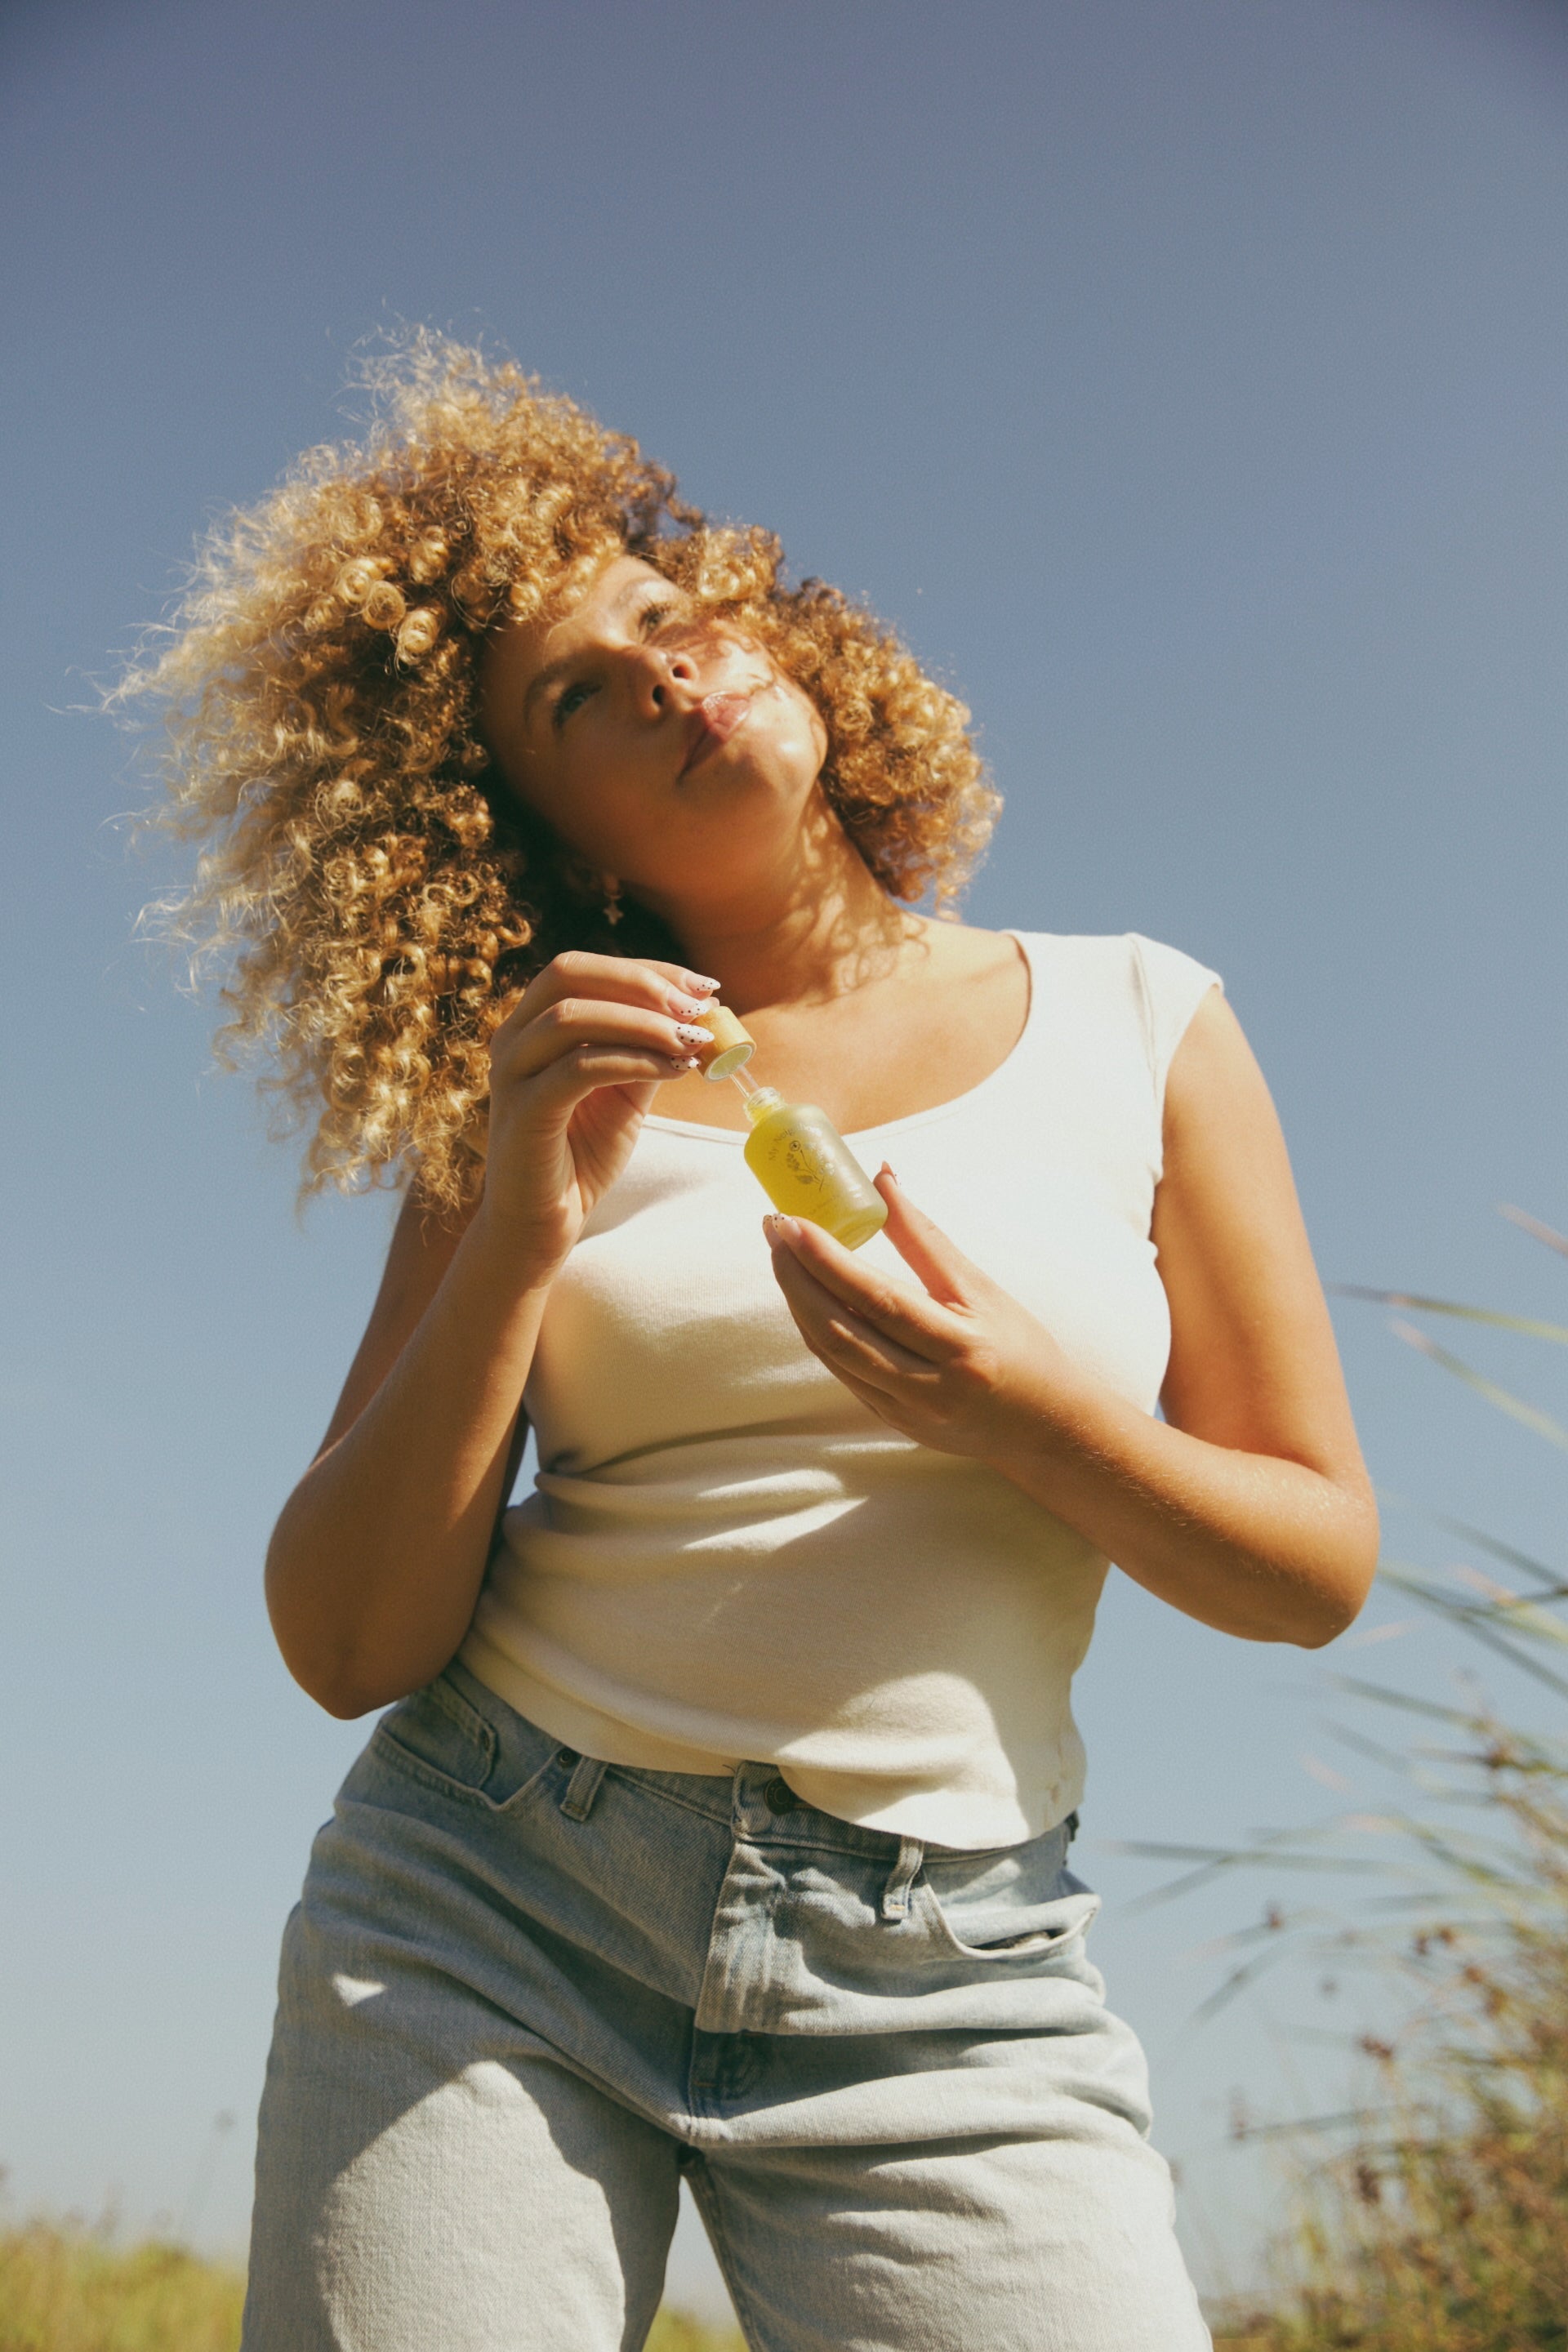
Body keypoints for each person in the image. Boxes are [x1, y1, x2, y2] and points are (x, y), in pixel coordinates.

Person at [130, 332, 1378, 2351]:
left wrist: (1039, 1421)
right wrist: (523, 1218)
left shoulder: (1147, 1017)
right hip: (495, 1906)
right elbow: (346, 1641)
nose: (669, 678)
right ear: (562, 837)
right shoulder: (534, 1086)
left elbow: (1314, 1564)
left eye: (665, 620)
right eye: (582, 701)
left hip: (950, 1975)